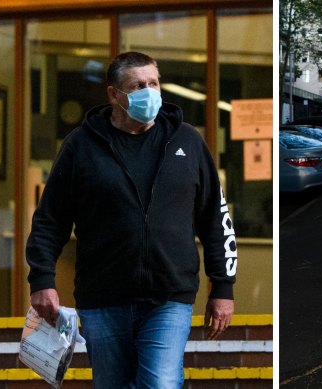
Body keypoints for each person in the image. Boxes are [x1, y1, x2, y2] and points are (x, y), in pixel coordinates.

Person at [26, 51, 237, 389]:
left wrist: (222, 285)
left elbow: (215, 217)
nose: (149, 91)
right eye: (138, 85)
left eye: (154, 83)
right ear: (113, 94)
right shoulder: (81, 146)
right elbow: (50, 219)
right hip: (103, 298)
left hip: (169, 295)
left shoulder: (187, 141)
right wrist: (42, 279)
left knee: (161, 384)